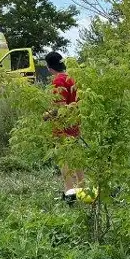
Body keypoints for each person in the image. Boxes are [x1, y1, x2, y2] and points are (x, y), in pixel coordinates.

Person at [45, 51, 83, 201]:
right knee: (77, 156)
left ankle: (69, 191)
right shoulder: (72, 78)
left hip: (62, 126)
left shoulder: (58, 81)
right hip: (75, 122)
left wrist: (47, 115)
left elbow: (60, 109)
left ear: (49, 67)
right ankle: (82, 187)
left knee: (64, 159)